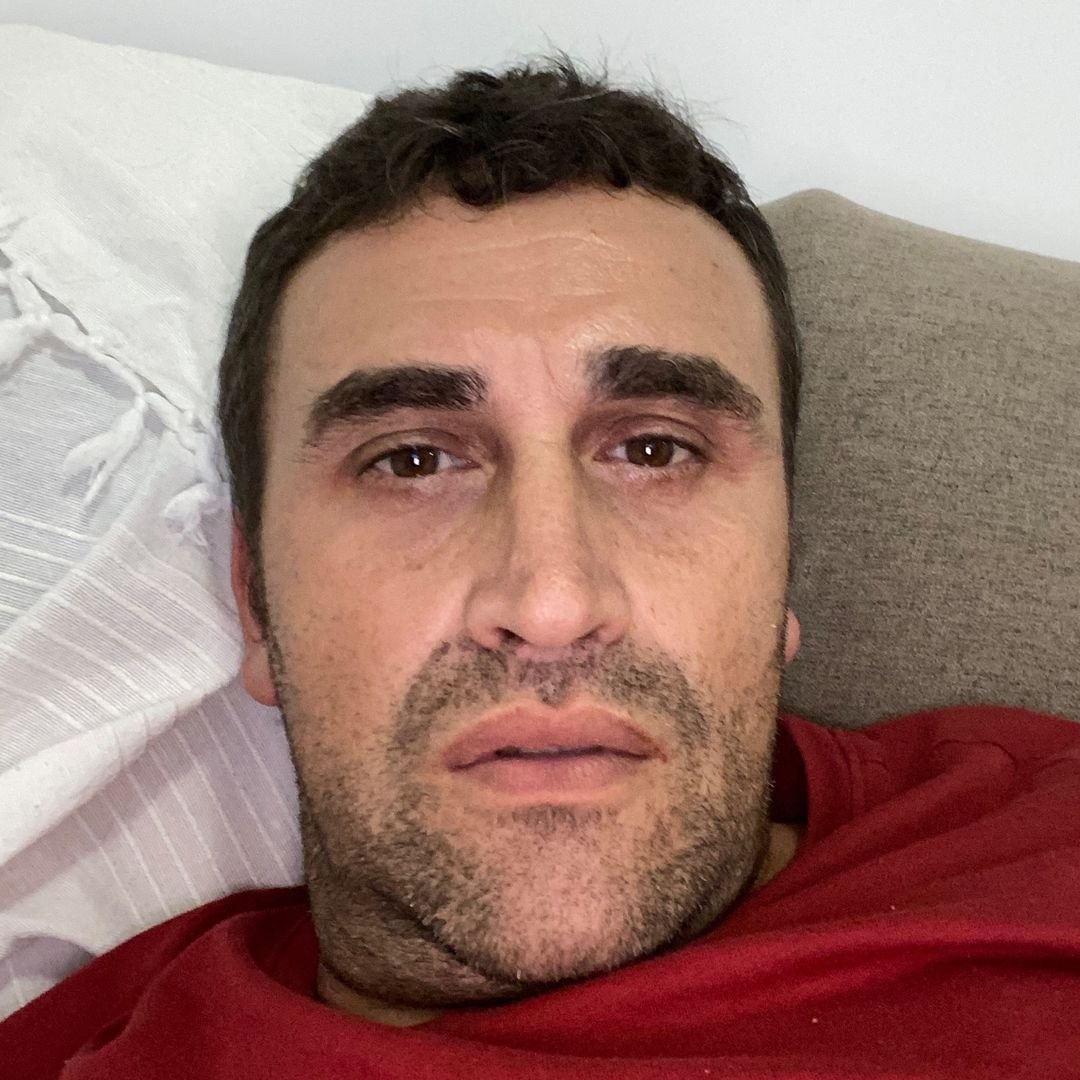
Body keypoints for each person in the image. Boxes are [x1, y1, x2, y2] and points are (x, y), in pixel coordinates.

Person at [2, 57, 1078, 1079]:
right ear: (256, 605)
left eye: (654, 451)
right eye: (412, 461)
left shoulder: (1038, 847)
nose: (553, 605)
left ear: (784, 569)